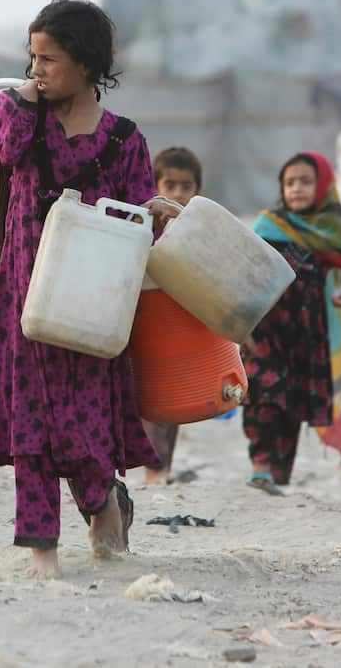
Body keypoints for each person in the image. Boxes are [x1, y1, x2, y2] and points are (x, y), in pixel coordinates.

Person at [0, 0, 168, 579]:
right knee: (31, 422)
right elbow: (7, 149)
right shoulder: (21, 117)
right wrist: (23, 99)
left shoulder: (123, 140)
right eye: (31, 57)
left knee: (83, 426)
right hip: (26, 294)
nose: (36, 70)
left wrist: (154, 209)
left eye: (49, 59)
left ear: (87, 65)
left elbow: (134, 212)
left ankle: (103, 503)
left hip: (90, 299)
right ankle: (42, 550)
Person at [243, 152, 341, 496]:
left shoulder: (336, 233)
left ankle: (278, 473)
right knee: (264, 394)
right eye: (290, 183)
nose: (297, 189)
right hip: (265, 331)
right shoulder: (269, 226)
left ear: (323, 187)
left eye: (305, 181)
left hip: (307, 339)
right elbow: (243, 269)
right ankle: (261, 465)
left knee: (292, 404)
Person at [141, 146, 203, 486]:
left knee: (175, 400)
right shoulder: (147, 222)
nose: (178, 193)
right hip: (150, 322)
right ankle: (153, 468)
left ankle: (162, 467)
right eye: (171, 185)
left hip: (182, 323)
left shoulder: (200, 226)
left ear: (198, 190)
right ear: (156, 186)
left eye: (186, 186)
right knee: (150, 397)